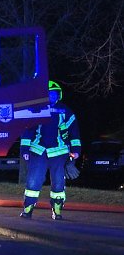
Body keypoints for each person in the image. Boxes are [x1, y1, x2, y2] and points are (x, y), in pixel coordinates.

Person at [19, 80, 81, 220]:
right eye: (48, 94)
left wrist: (76, 151)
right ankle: (28, 209)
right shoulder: (35, 110)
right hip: (38, 151)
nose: (51, 96)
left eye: (54, 94)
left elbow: (74, 133)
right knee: (33, 182)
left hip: (59, 153)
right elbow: (27, 132)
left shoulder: (66, 111)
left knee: (58, 183)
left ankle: (57, 210)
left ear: (59, 95)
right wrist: (25, 150)